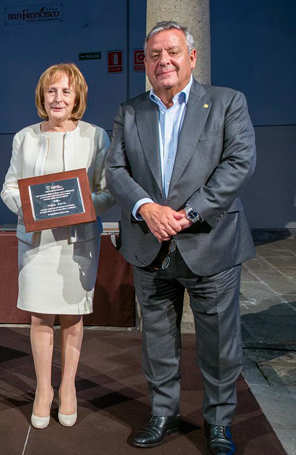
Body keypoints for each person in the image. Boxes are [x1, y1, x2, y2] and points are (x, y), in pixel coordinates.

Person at [105, 21, 256, 455]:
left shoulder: (227, 103)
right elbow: (116, 170)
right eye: (154, 55)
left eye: (172, 52)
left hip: (210, 243)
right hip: (148, 245)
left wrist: (187, 215)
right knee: (157, 342)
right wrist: (146, 208)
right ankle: (164, 413)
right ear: (146, 63)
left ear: (192, 57)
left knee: (219, 345)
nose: (163, 61)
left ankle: (219, 421)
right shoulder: (130, 110)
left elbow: (239, 163)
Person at [1, 63, 115, 429]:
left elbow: (110, 190)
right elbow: (8, 187)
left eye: (66, 91)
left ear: (77, 96)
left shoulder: (96, 137)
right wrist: (31, 210)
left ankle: (68, 388)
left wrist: (81, 207)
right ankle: (43, 389)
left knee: (72, 316)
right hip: (36, 242)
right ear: (42, 96)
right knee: (39, 316)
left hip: (77, 240)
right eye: (51, 91)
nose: (58, 98)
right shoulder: (24, 138)